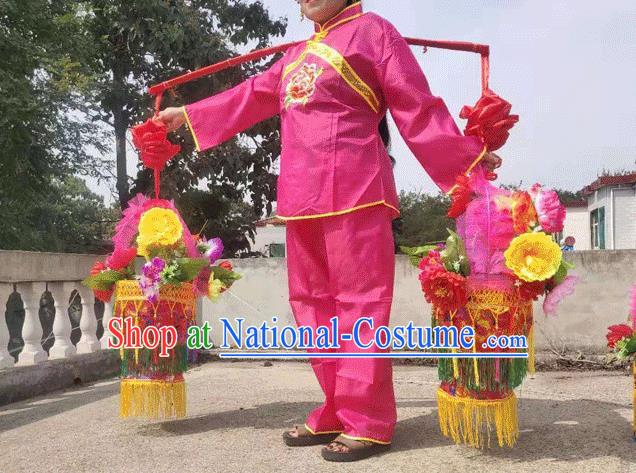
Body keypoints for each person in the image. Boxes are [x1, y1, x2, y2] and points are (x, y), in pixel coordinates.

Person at [157, 0, 502, 462]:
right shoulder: (300, 52)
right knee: (311, 304)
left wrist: (465, 157)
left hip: (357, 187)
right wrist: (189, 114)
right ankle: (337, 408)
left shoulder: (373, 31)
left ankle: (369, 420)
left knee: (360, 304)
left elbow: (414, 103)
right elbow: (254, 93)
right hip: (300, 197)